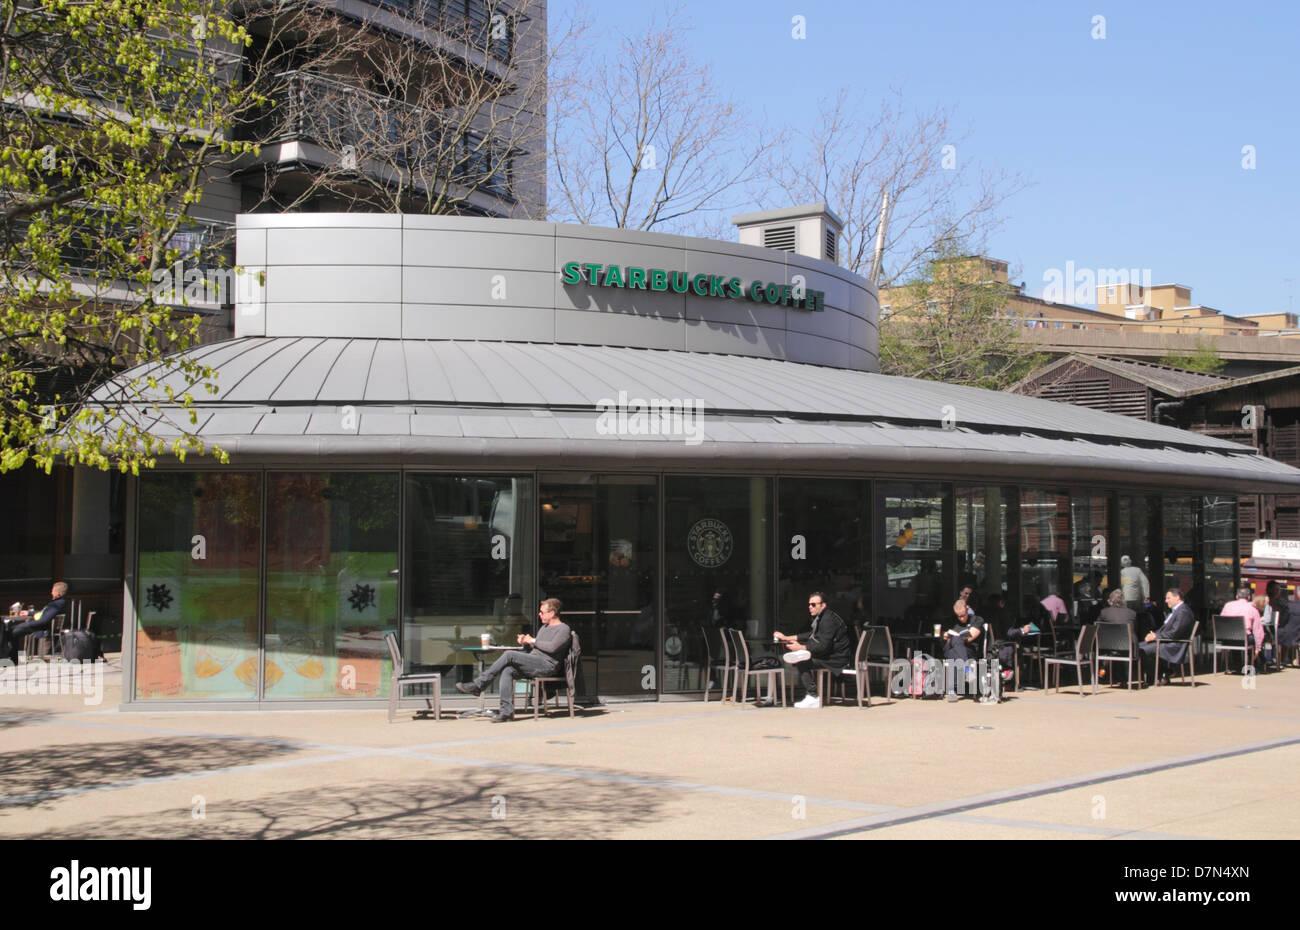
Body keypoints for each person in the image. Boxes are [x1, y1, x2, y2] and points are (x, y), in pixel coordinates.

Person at [456, 597, 571, 722]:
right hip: (535, 661)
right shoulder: (544, 628)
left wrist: (532, 640)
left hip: (548, 665)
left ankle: (479, 684)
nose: (539, 614)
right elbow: (539, 647)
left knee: (509, 654)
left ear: (552, 613)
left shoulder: (564, 629)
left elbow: (553, 648)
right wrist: (526, 641)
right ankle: (506, 712)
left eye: (542, 612)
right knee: (508, 670)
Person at [775, 591, 852, 709]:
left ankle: (813, 696)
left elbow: (823, 646)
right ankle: (812, 695)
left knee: (802, 661)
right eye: (809, 604)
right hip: (831, 655)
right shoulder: (822, 618)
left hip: (836, 658)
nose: (810, 607)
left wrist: (801, 647)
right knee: (801, 657)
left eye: (814, 604)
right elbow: (810, 635)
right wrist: (786, 637)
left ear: (823, 605)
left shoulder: (827, 620)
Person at [1138, 588, 1196, 685]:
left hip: (1176, 644)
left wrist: (1156, 636)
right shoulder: (1175, 611)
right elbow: (1166, 629)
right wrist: (1153, 635)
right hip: (1167, 640)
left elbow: (1175, 633)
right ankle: (1163, 673)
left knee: (1144, 650)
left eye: (1168, 598)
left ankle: (1159, 675)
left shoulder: (1183, 611)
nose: (1166, 601)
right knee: (1139, 647)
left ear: (1177, 598)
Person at [6, 581, 67, 665]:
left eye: (53, 591)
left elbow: (44, 620)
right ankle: (13, 658)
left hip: (40, 627)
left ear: (58, 594)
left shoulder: (57, 604)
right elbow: (43, 613)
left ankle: (13, 659)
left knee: (12, 631)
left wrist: (29, 623)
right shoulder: (58, 603)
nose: (51, 592)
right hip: (39, 625)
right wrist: (29, 613)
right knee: (12, 630)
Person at [942, 598, 984, 700]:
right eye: (958, 616)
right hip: (952, 648)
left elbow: (971, 636)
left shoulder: (977, 619)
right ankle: (967, 670)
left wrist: (958, 638)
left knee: (953, 651)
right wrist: (946, 635)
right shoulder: (950, 621)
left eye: (963, 615)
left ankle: (952, 690)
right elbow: (943, 636)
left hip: (968, 649)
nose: (961, 618)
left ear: (967, 609)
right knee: (954, 642)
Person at [1218, 587, 1264, 669]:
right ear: (1249, 597)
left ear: (1236, 597)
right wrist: (1258, 648)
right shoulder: (1252, 609)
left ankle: (1237, 663)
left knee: (1236, 634)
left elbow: (1222, 621)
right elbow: (1258, 630)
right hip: (1243, 639)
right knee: (1253, 638)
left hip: (1226, 639)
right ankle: (1254, 662)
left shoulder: (1227, 606)